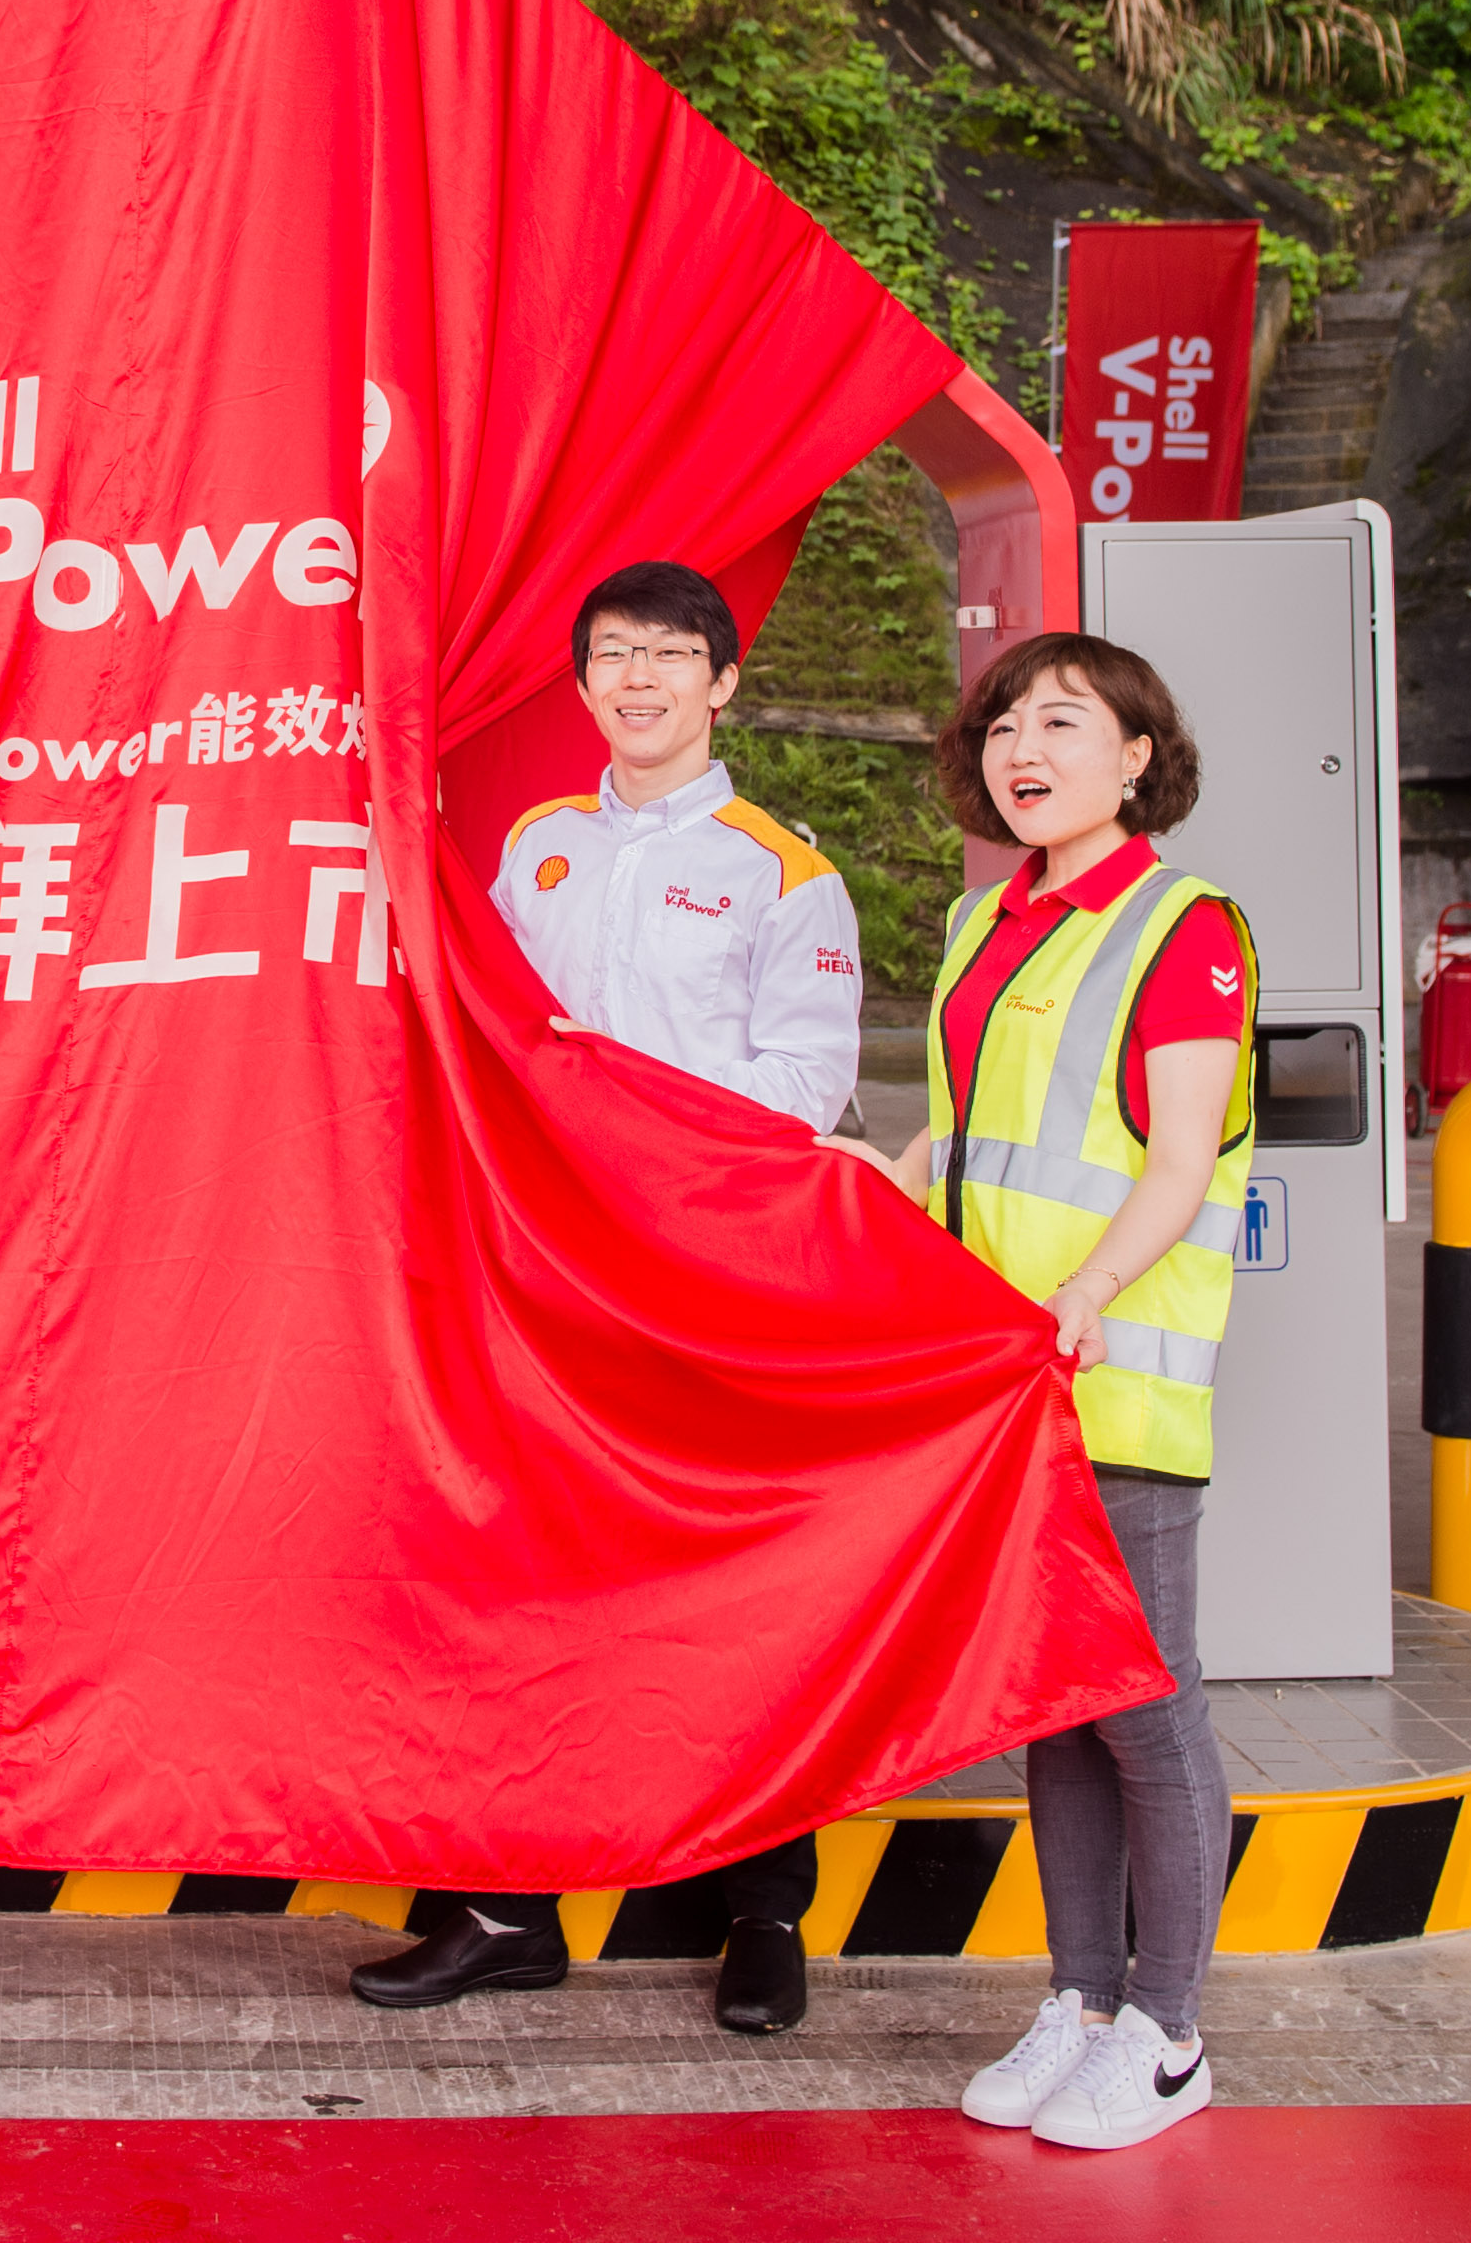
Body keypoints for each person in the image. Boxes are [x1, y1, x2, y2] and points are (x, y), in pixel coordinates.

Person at [349, 558, 866, 2036]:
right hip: (543, 1275)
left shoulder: (785, 871)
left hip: (706, 1283)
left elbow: (805, 1085)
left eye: (669, 654)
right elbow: (488, 1038)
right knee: (524, 1578)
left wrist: (628, 1125)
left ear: (723, 683)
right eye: (614, 656)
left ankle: (764, 1915)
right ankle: (505, 1908)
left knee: (736, 1596)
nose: (639, 679)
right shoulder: (539, 847)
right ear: (582, 687)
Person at [898, 631, 1253, 2154]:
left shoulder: (1183, 925)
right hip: (1003, 1388)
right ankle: (1082, 2001)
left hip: (1115, 1373)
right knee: (1062, 1708)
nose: (1021, 750)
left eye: (1061, 723)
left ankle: (1169, 2032)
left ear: (1136, 756)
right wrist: (869, 1195)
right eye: (1001, 727)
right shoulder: (985, 919)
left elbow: (1180, 1157)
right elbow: (961, 1138)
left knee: (1148, 1710)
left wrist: (1091, 1292)